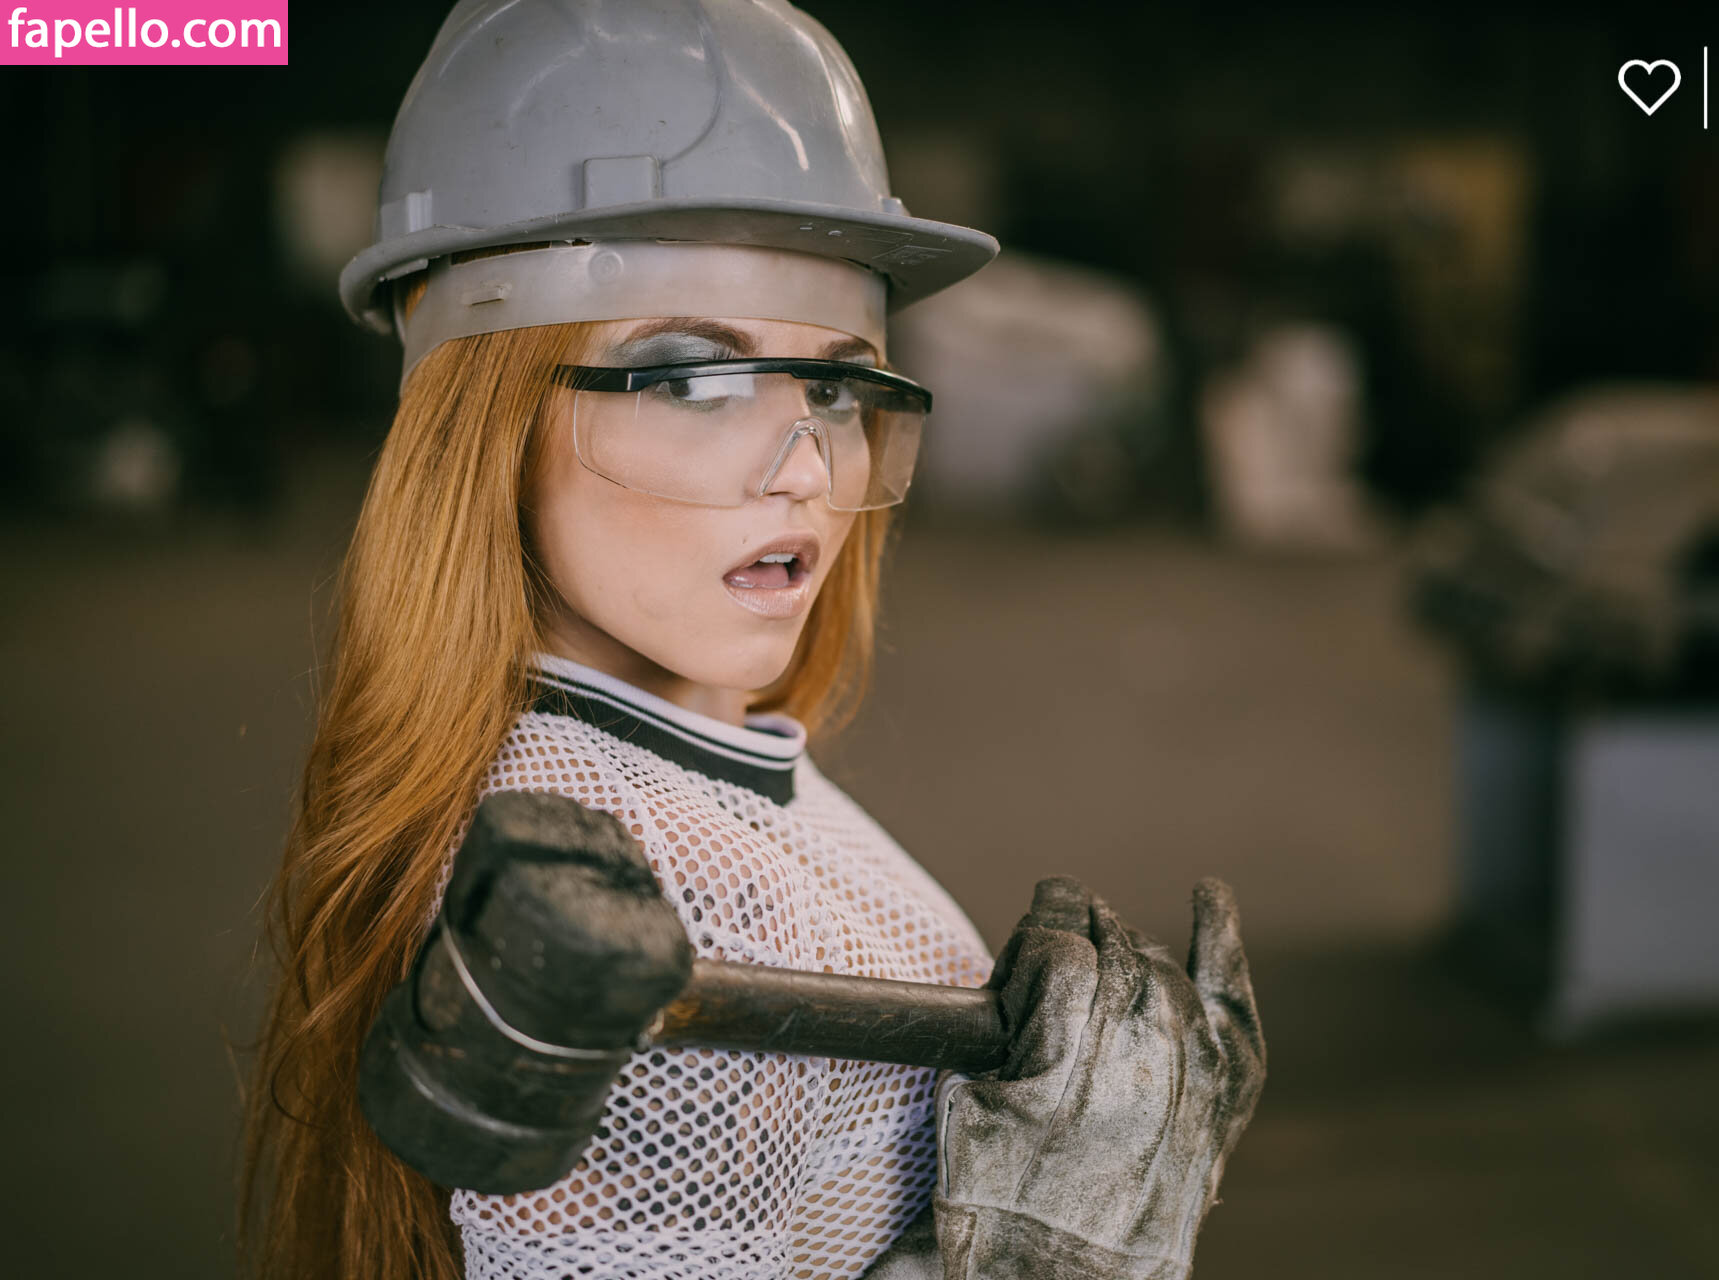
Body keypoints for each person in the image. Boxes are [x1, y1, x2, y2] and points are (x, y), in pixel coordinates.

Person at [239, 3, 1266, 1278]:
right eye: (689, 376)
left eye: (835, 383)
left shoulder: (666, 787)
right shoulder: (663, 883)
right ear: (484, 422)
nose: (806, 468)